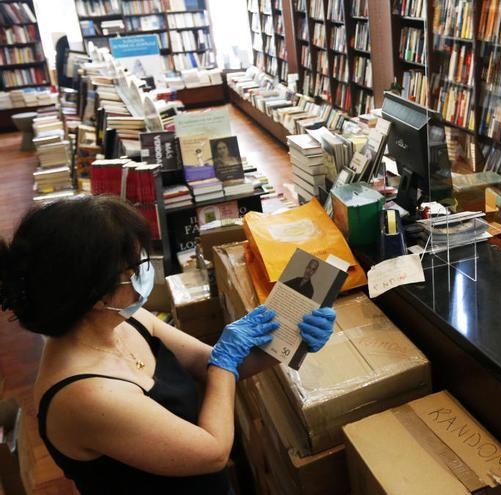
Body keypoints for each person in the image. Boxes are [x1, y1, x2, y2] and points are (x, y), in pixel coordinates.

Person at [0, 195, 336, 494]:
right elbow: (213, 451)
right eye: (134, 269)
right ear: (95, 294)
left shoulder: (124, 320)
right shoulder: (83, 395)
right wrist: (226, 358)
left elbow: (211, 364)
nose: (145, 275)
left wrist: (288, 341)